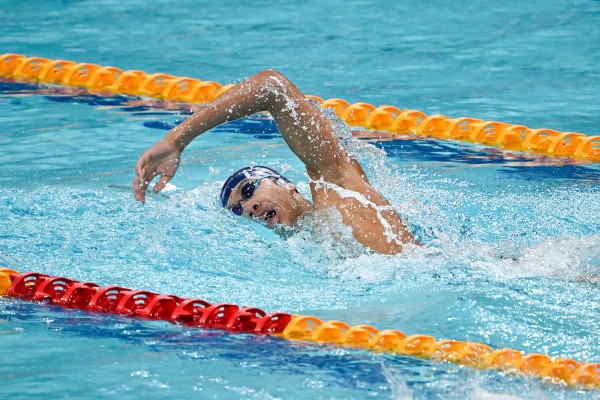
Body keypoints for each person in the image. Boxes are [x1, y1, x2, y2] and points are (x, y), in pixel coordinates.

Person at [134, 69, 419, 254]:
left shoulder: (337, 189)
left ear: (285, 184)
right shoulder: (309, 248)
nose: (248, 207)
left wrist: (176, 140)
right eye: (238, 209)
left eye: (248, 190)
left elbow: (272, 87)